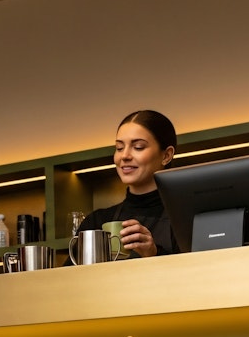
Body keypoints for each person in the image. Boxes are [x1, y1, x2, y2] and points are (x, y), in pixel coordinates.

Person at [74, 109, 179, 258]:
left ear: (166, 155)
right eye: (119, 148)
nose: (124, 156)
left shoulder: (184, 218)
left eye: (138, 147)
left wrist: (154, 254)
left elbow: (201, 275)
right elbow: (72, 279)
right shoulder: (96, 222)